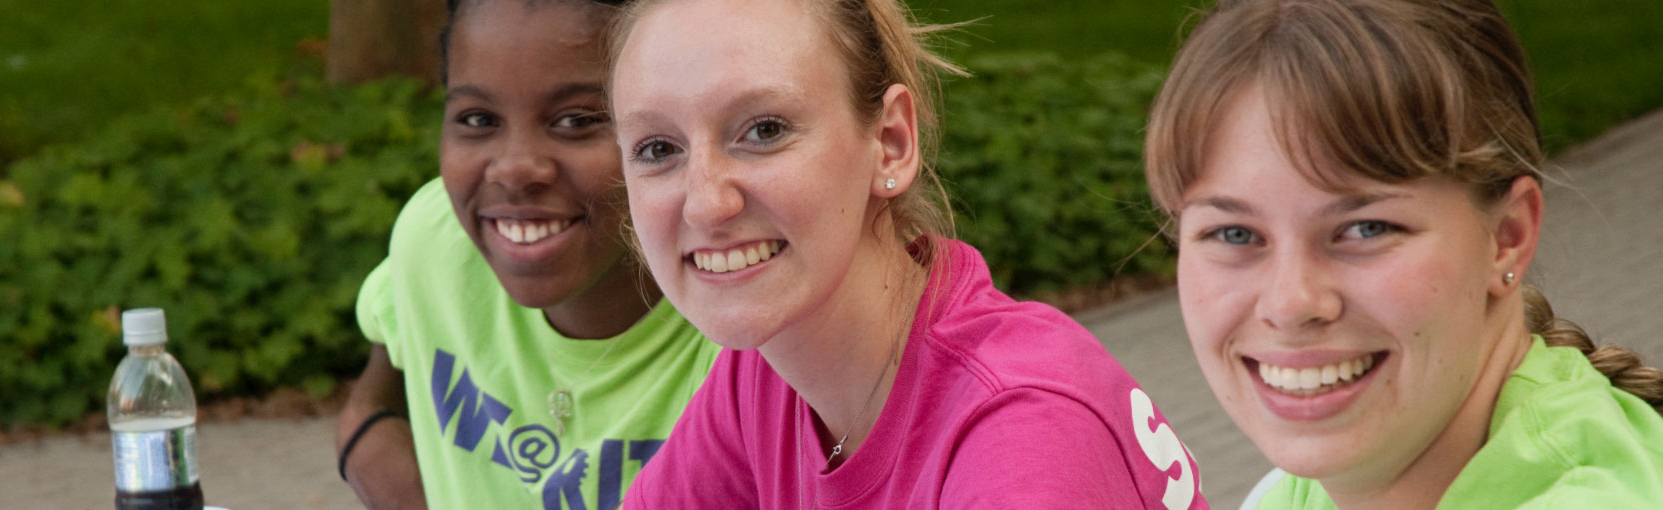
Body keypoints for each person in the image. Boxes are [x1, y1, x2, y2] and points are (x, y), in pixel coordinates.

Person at [606, 0, 1210, 507]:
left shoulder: (1021, 437)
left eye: (764, 130)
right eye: (658, 148)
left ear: (891, 143)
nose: (706, 204)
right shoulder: (765, 376)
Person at [1142, 0, 1663, 507]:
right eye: (1234, 234)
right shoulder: (1295, 493)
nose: (1290, 303)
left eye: (1365, 228)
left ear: (1507, 237)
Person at [335, 0, 719, 508]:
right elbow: (370, 407)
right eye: (477, 118)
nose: (515, 169)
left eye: (576, 119)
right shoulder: (435, 242)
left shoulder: (738, 330)